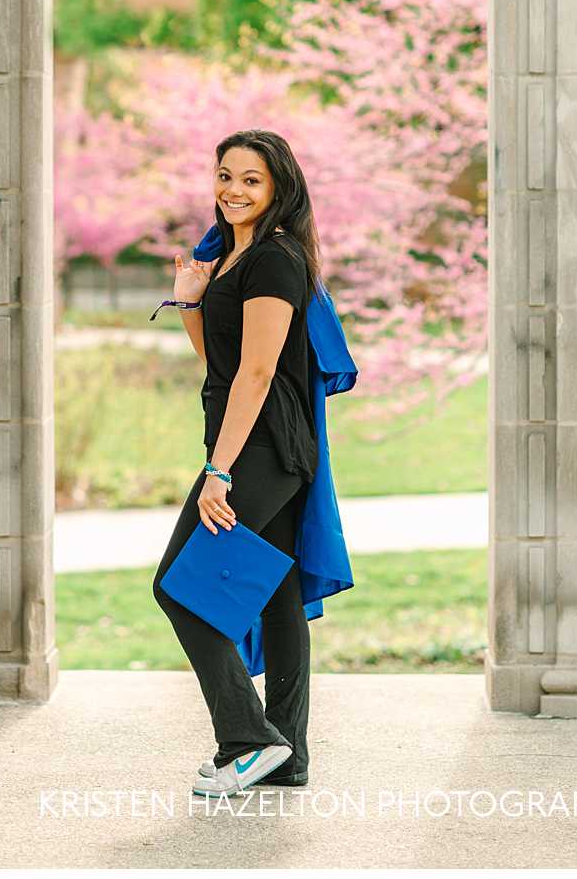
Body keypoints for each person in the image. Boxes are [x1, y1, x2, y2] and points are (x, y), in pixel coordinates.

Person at [151, 130, 323, 797]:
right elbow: (221, 363)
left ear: (279, 187)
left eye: (251, 179)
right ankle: (289, 755)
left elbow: (256, 373)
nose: (234, 190)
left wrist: (218, 472)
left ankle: (249, 741)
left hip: (262, 445)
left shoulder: (276, 260)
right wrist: (193, 299)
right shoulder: (231, 257)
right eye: (226, 175)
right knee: (276, 597)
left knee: (179, 586)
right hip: (256, 439)